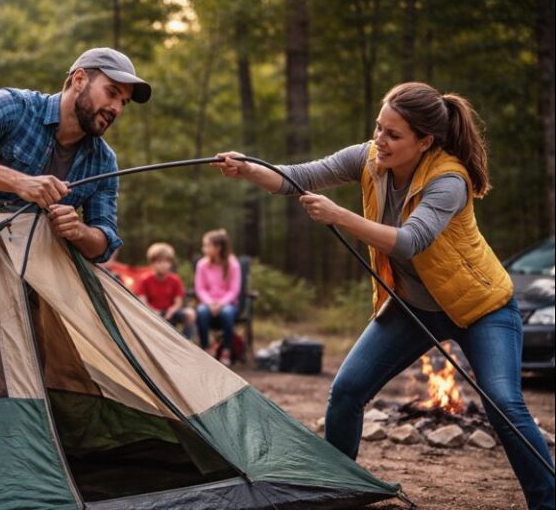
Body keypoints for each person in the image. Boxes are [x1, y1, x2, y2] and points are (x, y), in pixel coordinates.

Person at [212, 82, 555, 509]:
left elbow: (411, 241)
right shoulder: (369, 159)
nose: (380, 140)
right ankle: (335, 491)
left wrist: (340, 216)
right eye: (379, 128)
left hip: (481, 309)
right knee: (347, 390)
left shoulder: (450, 179)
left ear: (424, 142)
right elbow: (298, 177)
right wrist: (247, 168)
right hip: (414, 308)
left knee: (503, 402)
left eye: (393, 135)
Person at [0, 47, 152, 262]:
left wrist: (78, 231)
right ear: (79, 80)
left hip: (23, 270)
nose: (117, 109)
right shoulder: (14, 106)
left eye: (124, 102)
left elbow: (104, 244)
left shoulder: (104, 162)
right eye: (111, 93)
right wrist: (20, 183)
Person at [194, 229, 241, 367]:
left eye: (207, 245)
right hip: (207, 303)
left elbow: (234, 290)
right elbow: (200, 289)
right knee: (201, 312)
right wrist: (210, 303)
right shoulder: (202, 265)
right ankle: (206, 349)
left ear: (218, 247)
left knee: (227, 313)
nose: (204, 249)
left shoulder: (233, 264)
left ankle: (226, 350)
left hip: (228, 304)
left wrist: (220, 304)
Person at [136, 242, 195, 339]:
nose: (163, 265)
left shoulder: (175, 279)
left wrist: (171, 311)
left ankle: (185, 342)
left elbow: (178, 302)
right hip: (151, 313)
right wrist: (153, 312)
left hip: (170, 313)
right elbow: (143, 301)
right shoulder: (145, 280)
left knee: (190, 313)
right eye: (159, 262)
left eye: (167, 262)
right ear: (152, 263)